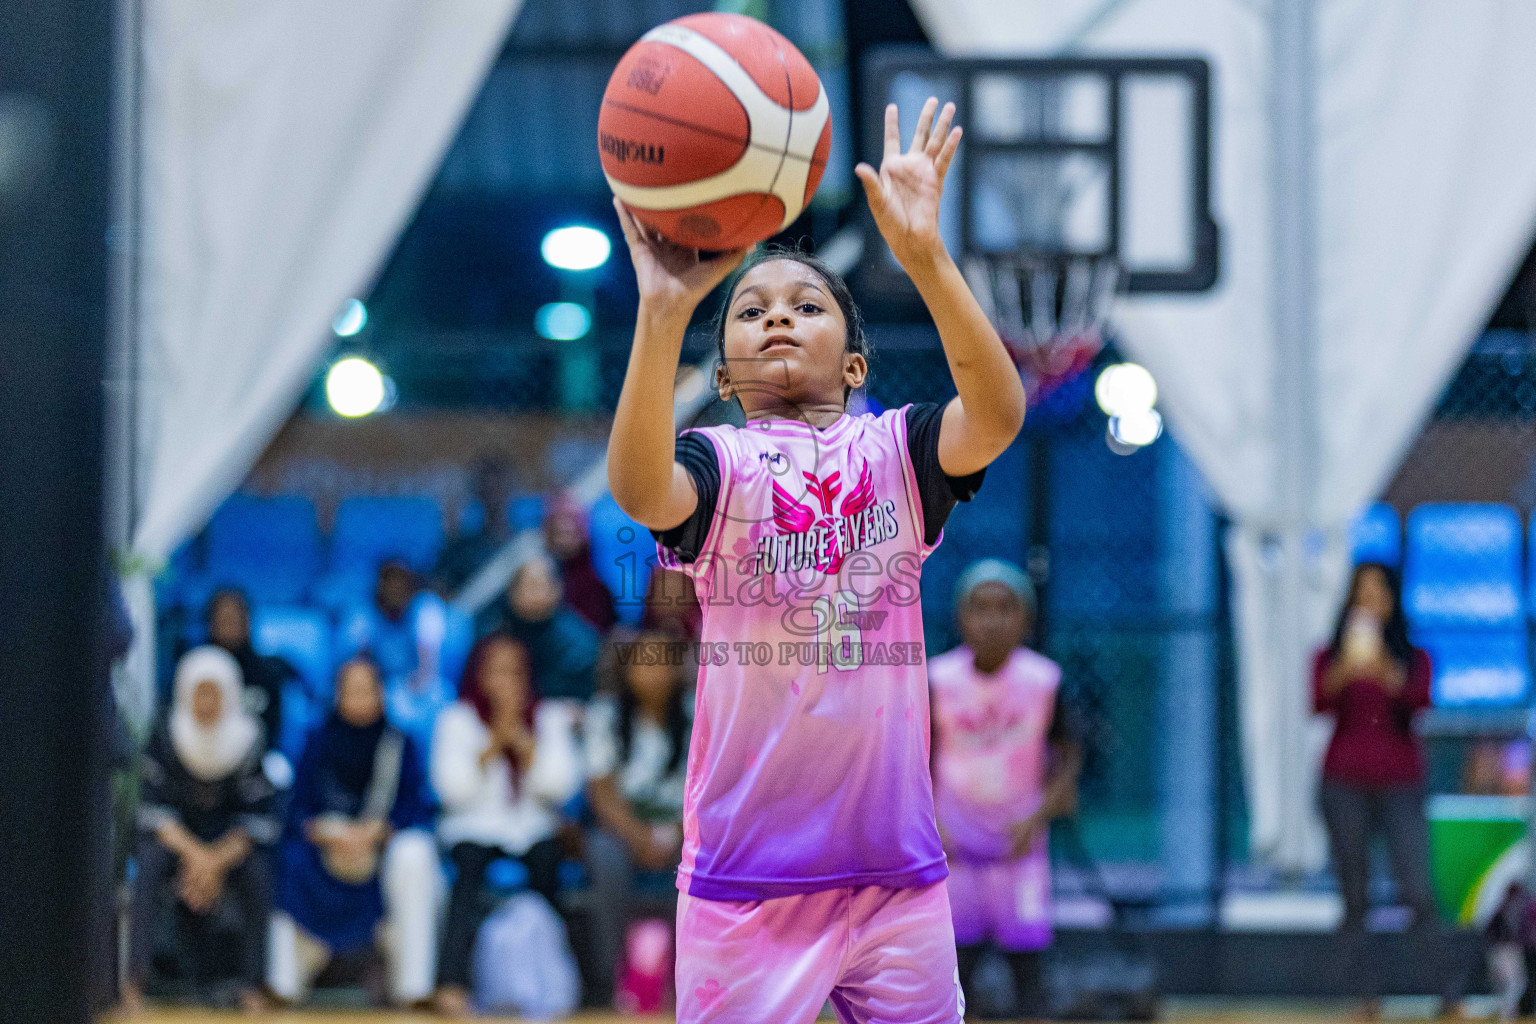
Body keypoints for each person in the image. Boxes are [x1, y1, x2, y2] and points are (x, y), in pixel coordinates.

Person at [607, 97, 1025, 1024]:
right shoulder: (720, 463)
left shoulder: (896, 456)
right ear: (723, 376)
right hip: (745, 882)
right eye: (751, 311)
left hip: (895, 876)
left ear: (853, 366)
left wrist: (926, 258)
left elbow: (996, 416)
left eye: (808, 305)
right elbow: (640, 492)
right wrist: (662, 312)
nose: (779, 318)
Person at [929, 560, 1081, 1019]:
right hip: (951, 846)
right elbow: (910, 760)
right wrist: (932, 823)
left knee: (1028, 976)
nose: (992, 620)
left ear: (1026, 619)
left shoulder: (1044, 681)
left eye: (1005, 609)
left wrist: (1041, 814)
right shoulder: (936, 680)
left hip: (1020, 843)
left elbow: (1069, 756)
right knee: (953, 973)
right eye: (980, 608)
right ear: (960, 616)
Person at [1313, 561, 1448, 1013]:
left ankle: (1447, 994)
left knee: (1417, 891)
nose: (1370, 600)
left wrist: (1385, 669)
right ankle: (1363, 998)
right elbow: (1318, 700)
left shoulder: (1414, 657)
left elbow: (1419, 700)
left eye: (1378, 591)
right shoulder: (1332, 655)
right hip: (1344, 783)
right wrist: (1347, 666)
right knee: (1355, 894)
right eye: (1361, 592)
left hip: (1400, 783)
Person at [270, 656, 442, 1008]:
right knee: (286, 859)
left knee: (417, 854)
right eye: (351, 691)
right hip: (324, 854)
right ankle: (282, 984)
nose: (360, 699)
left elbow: (416, 807)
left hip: (380, 856)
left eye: (368, 689)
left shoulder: (399, 744)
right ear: (337, 695)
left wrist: (378, 832)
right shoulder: (317, 741)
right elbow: (296, 808)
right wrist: (326, 831)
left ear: (381, 693)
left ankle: (415, 987)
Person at [430, 632, 584, 1017]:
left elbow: (559, 787)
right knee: (467, 875)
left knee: (550, 866)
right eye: (496, 671)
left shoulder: (547, 717)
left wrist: (524, 743)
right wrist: (494, 744)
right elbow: (452, 790)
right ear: (478, 674)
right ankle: (450, 983)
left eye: (514, 672)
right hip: (474, 830)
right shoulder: (457, 719)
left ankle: (554, 980)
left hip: (531, 829)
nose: (505, 682)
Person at [125, 646, 277, 1015]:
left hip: (229, 844)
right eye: (199, 691)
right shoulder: (164, 733)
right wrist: (198, 858)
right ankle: (134, 981)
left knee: (259, 871)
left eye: (214, 692)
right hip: (177, 841)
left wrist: (215, 860)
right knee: (147, 863)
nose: (206, 702)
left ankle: (253, 983)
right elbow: (152, 810)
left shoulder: (249, 739)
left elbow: (257, 817)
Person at [584, 628, 693, 1007]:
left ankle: (689, 981)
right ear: (628, 671)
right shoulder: (605, 715)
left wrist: (675, 833)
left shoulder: (700, 712)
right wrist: (640, 837)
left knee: (708, 856)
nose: (655, 671)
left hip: (686, 827)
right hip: (623, 829)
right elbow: (601, 793)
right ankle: (615, 979)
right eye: (645, 662)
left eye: (664, 661)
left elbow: (712, 789)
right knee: (602, 854)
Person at [338, 561, 456, 761]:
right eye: (390, 584)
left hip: (413, 683)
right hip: (380, 685)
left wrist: (417, 686)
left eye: (401, 584)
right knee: (396, 706)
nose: (395, 590)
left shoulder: (423, 610)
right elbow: (353, 665)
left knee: (440, 696)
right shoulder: (362, 615)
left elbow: (428, 665)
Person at [483, 552, 601, 702]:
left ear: (557, 589)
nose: (533, 592)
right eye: (524, 585)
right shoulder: (496, 634)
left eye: (538, 585)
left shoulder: (579, 641)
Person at [205, 588, 294, 752]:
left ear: (247, 622)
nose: (229, 626)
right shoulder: (196, 671)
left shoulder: (266, 674)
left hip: (254, 763)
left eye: (235, 618)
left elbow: (273, 731)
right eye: (223, 619)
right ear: (211, 623)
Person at [544, 491, 618, 632]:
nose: (566, 539)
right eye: (560, 533)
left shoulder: (601, 557)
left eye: (571, 531)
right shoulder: (556, 573)